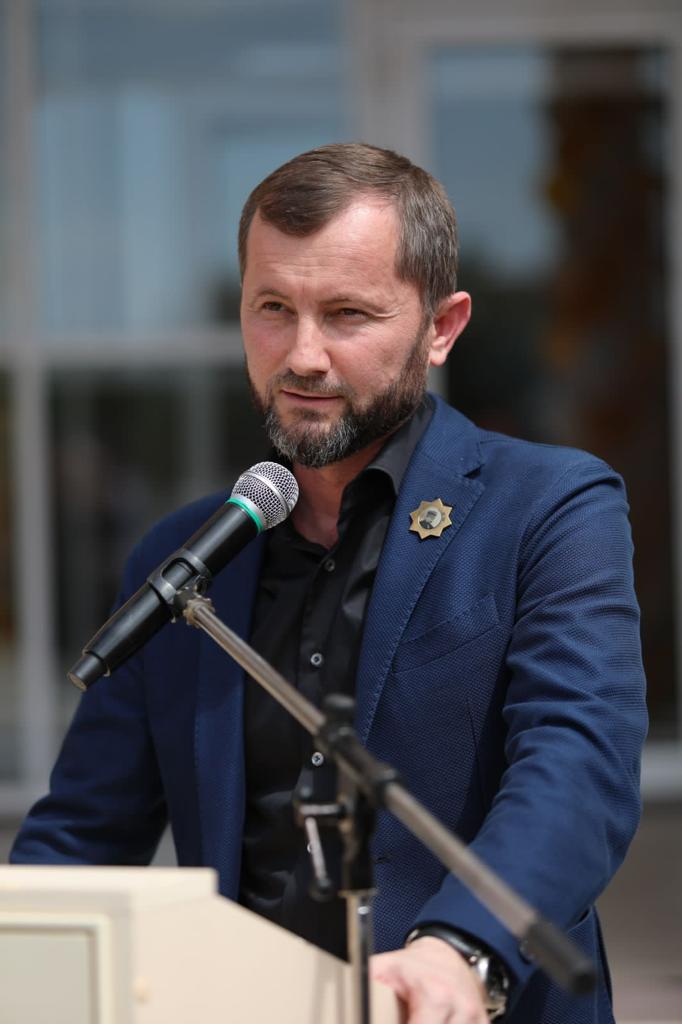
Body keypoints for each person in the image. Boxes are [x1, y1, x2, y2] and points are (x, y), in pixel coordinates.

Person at [11, 143, 647, 1023]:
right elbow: (84, 830)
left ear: (442, 328)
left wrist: (460, 948)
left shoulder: (550, 507)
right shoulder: (183, 554)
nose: (302, 355)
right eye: (273, 308)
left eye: (347, 314)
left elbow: (578, 765)